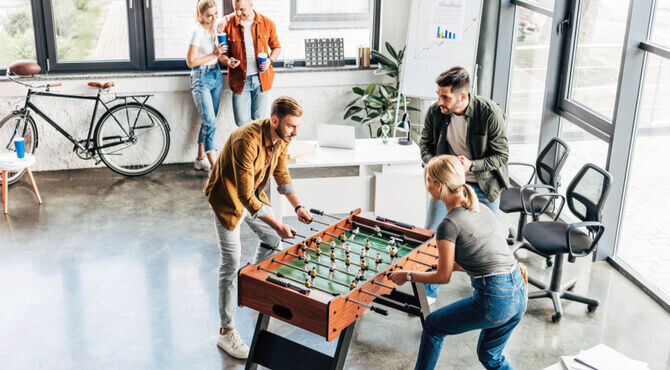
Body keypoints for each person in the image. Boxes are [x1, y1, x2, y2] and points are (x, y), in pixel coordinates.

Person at [390, 155, 525, 370]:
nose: (427, 187)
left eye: (428, 181)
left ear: (439, 185)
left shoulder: (449, 224)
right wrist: (441, 265)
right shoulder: (482, 209)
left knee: (433, 326)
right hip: (518, 292)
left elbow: (443, 278)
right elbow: (478, 260)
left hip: (495, 299)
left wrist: (407, 275)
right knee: (490, 356)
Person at [204, 96, 313, 359]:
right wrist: (278, 224)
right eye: (291, 126)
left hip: (252, 197)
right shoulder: (247, 140)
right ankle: (225, 332)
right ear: (275, 120)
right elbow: (244, 197)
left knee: (273, 241)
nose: (295, 132)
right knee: (230, 263)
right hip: (229, 201)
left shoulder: (281, 139)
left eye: (298, 126)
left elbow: (281, 173)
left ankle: (250, 285)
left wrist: (298, 207)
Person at [419, 66, 510, 302]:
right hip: (448, 184)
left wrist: (471, 165)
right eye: (438, 94)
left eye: (445, 96)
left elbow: (501, 156)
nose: (439, 100)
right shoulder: (436, 112)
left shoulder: (489, 113)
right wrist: (437, 166)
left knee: (487, 241)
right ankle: (429, 292)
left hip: (484, 183)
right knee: (432, 235)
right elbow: (424, 145)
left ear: (462, 96)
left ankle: (486, 291)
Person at [186, 0, 234, 171]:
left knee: (209, 121)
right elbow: (190, 61)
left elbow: (229, 16)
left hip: (216, 75)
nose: (213, 18)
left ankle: (200, 158)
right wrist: (214, 54)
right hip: (201, 77)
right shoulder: (197, 31)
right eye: (209, 15)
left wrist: (227, 59)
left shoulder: (215, 26)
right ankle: (215, 166)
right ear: (200, 15)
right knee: (211, 122)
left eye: (215, 14)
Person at [219, 0, 281, 126]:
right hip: (240, 80)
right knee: (242, 122)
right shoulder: (228, 25)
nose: (238, 13)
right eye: (235, 9)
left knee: (259, 121)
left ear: (251, 5)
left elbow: (277, 48)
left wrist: (269, 61)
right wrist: (228, 61)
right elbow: (222, 54)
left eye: (242, 9)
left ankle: (256, 146)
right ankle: (249, 143)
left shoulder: (267, 23)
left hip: (262, 79)